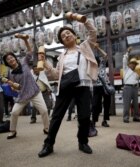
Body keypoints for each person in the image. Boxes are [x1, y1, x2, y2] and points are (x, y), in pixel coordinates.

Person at [38, 13, 98, 158]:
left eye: (68, 33)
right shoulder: (61, 56)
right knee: (57, 117)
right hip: (65, 86)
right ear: (63, 42)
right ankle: (48, 144)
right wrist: (45, 63)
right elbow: (55, 74)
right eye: (63, 36)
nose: (66, 36)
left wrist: (81, 19)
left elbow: (93, 32)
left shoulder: (85, 47)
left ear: (74, 35)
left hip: (82, 85)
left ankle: (82, 142)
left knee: (84, 117)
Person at [2, 33, 49, 139]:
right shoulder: (10, 73)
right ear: (7, 63)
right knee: (14, 112)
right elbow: (17, 87)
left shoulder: (24, 62)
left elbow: (30, 51)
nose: (11, 59)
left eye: (11, 57)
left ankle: (47, 128)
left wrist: (25, 40)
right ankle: (12, 131)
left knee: (44, 111)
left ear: (14, 58)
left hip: (34, 91)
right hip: (23, 95)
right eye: (8, 59)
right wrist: (12, 85)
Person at [30, 48, 53, 124]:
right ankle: (33, 118)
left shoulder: (43, 72)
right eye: (34, 69)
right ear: (32, 70)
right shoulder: (31, 75)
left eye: (37, 69)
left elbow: (49, 69)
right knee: (34, 106)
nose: (36, 70)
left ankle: (47, 117)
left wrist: (43, 59)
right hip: (36, 93)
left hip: (44, 91)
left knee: (48, 104)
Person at [122, 47, 140, 123]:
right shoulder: (126, 69)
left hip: (135, 88)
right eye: (132, 63)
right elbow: (124, 60)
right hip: (127, 87)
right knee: (127, 103)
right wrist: (128, 52)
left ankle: (136, 117)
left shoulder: (136, 73)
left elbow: (138, 79)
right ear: (129, 64)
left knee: (136, 104)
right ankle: (126, 118)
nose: (133, 65)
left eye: (134, 64)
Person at [91, 56, 111, 127]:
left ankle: (104, 120)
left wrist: (97, 47)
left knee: (107, 104)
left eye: (98, 61)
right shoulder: (91, 67)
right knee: (95, 104)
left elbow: (105, 55)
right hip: (96, 86)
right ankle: (94, 120)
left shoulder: (102, 65)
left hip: (106, 86)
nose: (97, 62)